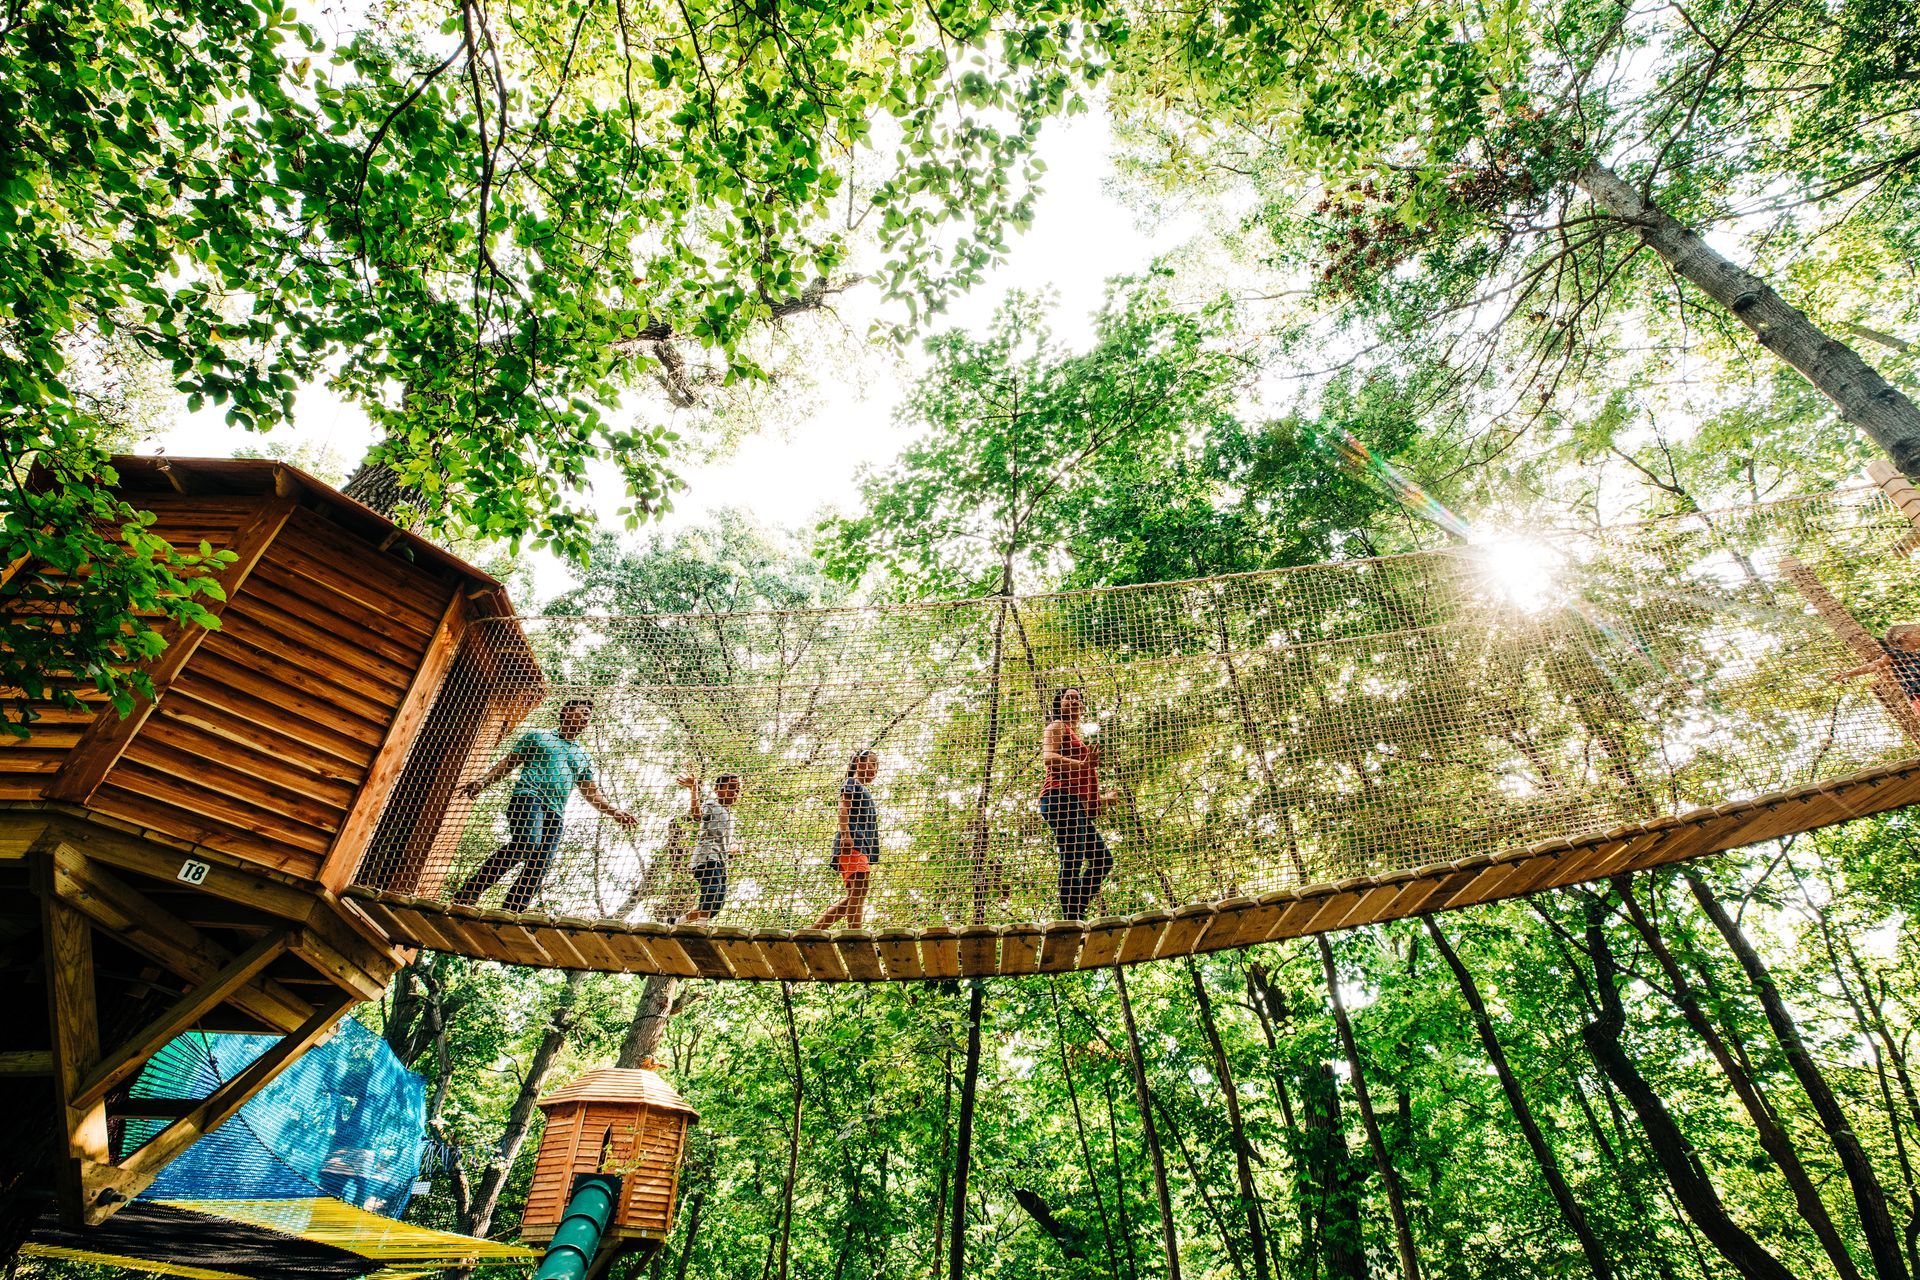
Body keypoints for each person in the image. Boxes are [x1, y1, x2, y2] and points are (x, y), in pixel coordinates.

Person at [451, 698, 637, 912]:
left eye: (589, 715)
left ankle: (511, 911)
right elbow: (508, 763)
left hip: (555, 813)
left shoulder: (583, 756)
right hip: (529, 798)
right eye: (583, 712)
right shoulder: (538, 737)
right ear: (566, 712)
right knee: (529, 842)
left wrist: (615, 812)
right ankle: (469, 892)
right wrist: (484, 781)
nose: (587, 718)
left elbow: (591, 793)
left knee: (541, 863)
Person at [1040, 688, 1119, 920]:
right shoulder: (1057, 727)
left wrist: (1103, 799)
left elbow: (1079, 784)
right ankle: (1072, 918)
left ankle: (1075, 912)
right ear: (1059, 704)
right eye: (1068, 697)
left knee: (1102, 860)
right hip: (1059, 798)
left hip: (1074, 803)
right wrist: (1083, 764)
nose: (1074, 701)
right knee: (1072, 855)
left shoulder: (1074, 735)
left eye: (1078, 698)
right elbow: (1049, 758)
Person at [813, 750, 881, 929]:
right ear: (859, 762)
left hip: (861, 846)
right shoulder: (852, 783)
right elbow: (843, 808)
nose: (875, 770)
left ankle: (813, 931)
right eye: (872, 764)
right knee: (860, 888)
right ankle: (855, 933)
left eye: (877, 767)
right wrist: (845, 836)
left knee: (856, 893)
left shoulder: (864, 790)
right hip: (852, 842)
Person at [680, 770, 742, 923]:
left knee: (718, 902)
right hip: (707, 858)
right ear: (718, 789)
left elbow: (725, 843)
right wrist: (694, 788)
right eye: (731, 787)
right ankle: (701, 926)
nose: (735, 792)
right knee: (712, 892)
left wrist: (733, 848)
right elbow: (697, 814)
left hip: (720, 862)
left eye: (738, 790)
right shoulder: (711, 804)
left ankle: (676, 921)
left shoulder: (731, 817)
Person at [1832, 622, 1920, 712]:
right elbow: (1874, 665)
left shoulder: (1917, 655)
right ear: (1905, 636)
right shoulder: (1897, 654)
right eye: (1918, 633)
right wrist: (1849, 673)